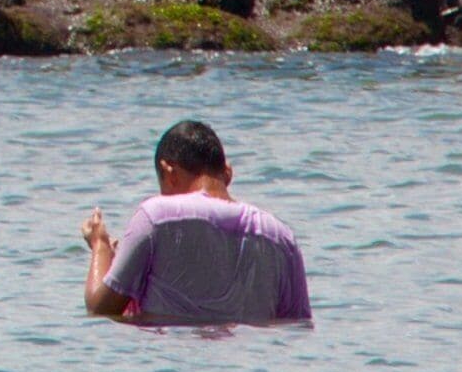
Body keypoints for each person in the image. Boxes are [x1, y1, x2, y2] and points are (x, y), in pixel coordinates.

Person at [81, 119, 311, 326]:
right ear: (227, 173)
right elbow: (296, 328)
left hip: (170, 363)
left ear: (168, 171)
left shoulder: (155, 217)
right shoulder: (281, 238)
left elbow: (101, 308)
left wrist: (100, 246)